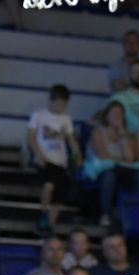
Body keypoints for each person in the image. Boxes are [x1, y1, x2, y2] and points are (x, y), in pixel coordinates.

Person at [82, 101, 139, 227]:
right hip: (100, 169)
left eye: (119, 114)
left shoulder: (126, 135)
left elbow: (129, 158)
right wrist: (119, 160)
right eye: (113, 113)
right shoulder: (97, 132)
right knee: (109, 174)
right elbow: (102, 155)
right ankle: (105, 215)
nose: (116, 116)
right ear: (107, 116)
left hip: (120, 168)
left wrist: (122, 134)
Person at [28, 84, 82, 233]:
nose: (60, 108)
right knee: (49, 185)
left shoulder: (66, 118)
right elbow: (31, 136)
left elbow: (71, 139)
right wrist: (38, 153)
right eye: (57, 104)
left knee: (60, 198)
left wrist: (77, 155)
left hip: (60, 161)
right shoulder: (38, 115)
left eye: (63, 105)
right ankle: (44, 212)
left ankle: (48, 227)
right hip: (45, 158)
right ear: (50, 100)